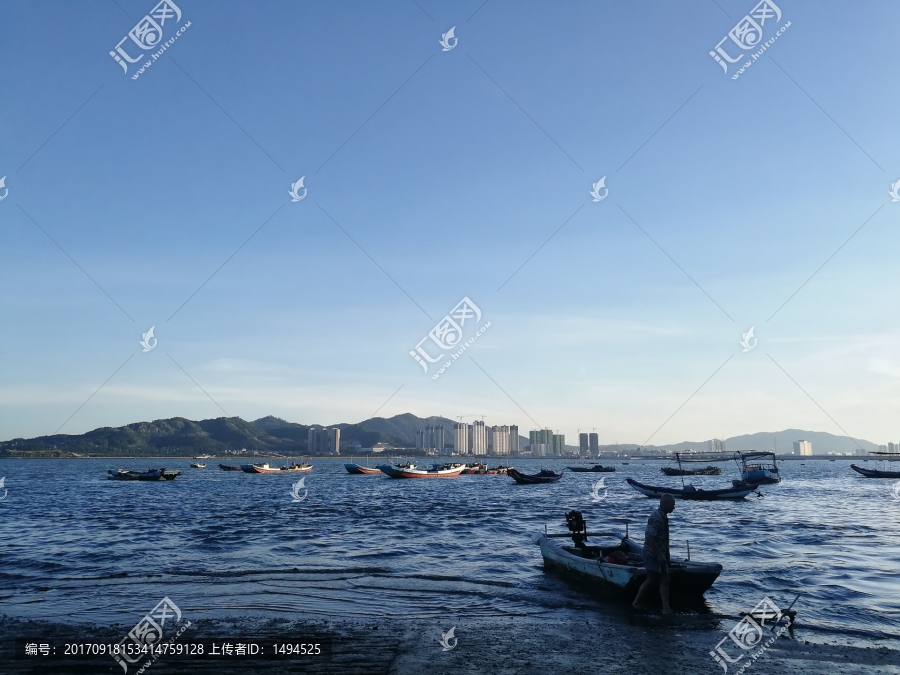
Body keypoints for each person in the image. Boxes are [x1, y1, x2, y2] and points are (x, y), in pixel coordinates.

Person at [632, 494, 675, 613]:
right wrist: (659, 555)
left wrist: (665, 555)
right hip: (652, 553)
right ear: (664, 503)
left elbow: (663, 538)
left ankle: (666, 608)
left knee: (665, 579)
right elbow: (649, 537)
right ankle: (636, 602)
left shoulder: (663, 517)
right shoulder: (656, 517)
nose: (674, 507)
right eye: (672, 504)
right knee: (652, 579)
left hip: (661, 553)